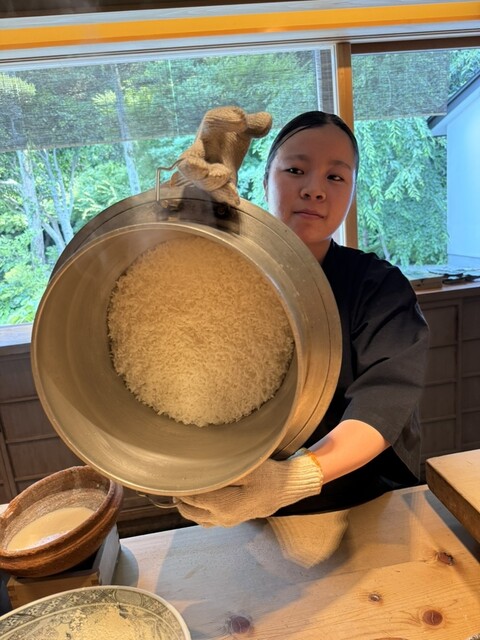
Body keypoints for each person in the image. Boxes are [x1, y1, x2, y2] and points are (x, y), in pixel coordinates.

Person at [176, 110, 430, 527]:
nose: (314, 189)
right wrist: (187, 205)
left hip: (358, 502)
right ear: (265, 181)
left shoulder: (378, 287)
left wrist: (294, 479)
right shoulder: (219, 274)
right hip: (243, 504)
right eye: (295, 170)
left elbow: (384, 401)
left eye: (336, 177)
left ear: (352, 193)